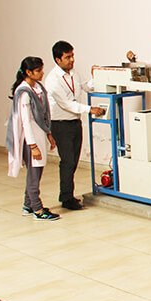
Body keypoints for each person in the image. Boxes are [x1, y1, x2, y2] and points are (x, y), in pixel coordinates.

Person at [45, 40, 105, 210]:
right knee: (68, 161)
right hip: (60, 124)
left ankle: (67, 194)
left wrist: (95, 77)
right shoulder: (53, 80)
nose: (72, 60)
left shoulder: (74, 74)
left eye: (72, 56)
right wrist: (90, 109)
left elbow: (84, 87)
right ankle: (67, 198)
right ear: (58, 59)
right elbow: (66, 104)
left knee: (74, 160)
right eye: (67, 57)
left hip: (75, 122)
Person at [6, 57, 60, 221]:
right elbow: (25, 122)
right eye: (38, 71)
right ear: (28, 72)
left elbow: (43, 115)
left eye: (42, 69)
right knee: (34, 174)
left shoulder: (37, 87)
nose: (42, 73)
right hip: (30, 139)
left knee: (36, 172)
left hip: (39, 135)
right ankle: (38, 209)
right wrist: (33, 146)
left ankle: (28, 205)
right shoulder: (23, 92)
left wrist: (49, 134)